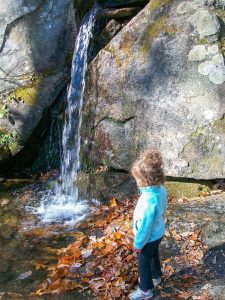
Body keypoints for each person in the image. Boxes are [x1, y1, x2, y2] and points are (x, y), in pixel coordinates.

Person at [128, 149, 167, 300]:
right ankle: (156, 276)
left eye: (138, 179)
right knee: (154, 254)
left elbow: (145, 227)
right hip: (158, 232)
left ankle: (145, 290)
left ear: (146, 180)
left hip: (148, 237)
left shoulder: (148, 201)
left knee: (143, 261)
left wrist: (138, 243)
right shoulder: (160, 189)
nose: (137, 181)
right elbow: (163, 208)